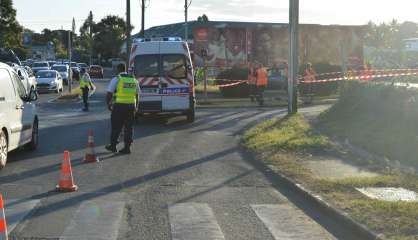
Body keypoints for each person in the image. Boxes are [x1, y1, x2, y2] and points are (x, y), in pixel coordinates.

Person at [105, 64, 140, 154]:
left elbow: (109, 93)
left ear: (118, 69)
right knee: (129, 128)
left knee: (116, 127)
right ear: (125, 69)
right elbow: (137, 94)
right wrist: (136, 106)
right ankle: (127, 148)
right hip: (131, 106)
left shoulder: (117, 79)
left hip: (119, 106)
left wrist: (108, 104)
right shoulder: (133, 79)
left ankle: (113, 146)